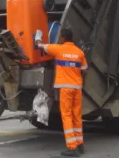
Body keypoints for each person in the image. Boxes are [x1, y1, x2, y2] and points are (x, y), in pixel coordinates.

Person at [35, 28, 88, 157]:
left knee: (67, 116)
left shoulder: (58, 49)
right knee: (76, 116)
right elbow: (85, 70)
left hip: (66, 88)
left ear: (63, 38)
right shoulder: (79, 52)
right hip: (77, 88)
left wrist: (38, 37)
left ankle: (72, 147)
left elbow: (40, 46)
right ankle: (80, 144)